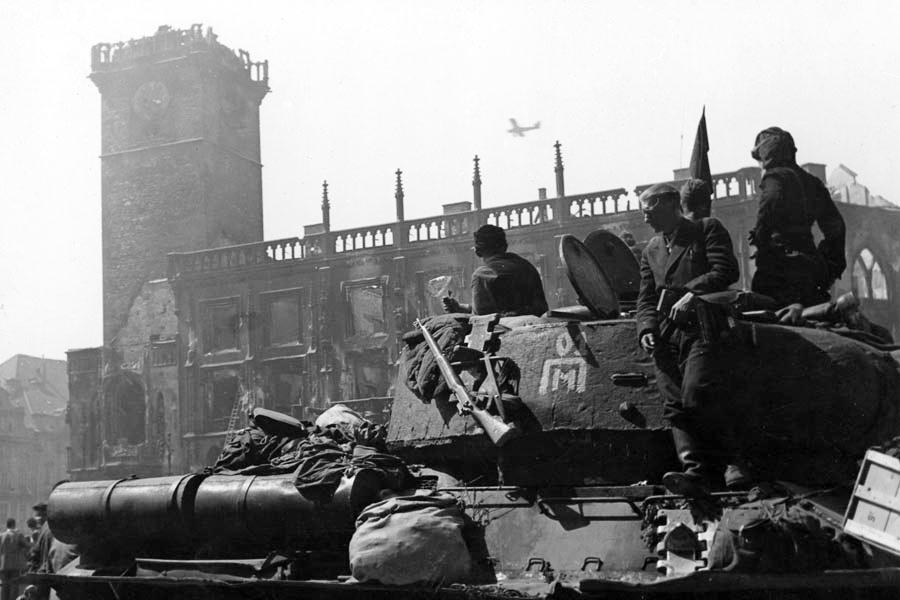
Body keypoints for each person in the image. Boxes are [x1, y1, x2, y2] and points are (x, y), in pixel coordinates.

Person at [635, 183, 748, 496]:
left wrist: (691, 293)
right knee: (674, 404)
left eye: (650, 211)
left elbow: (726, 270)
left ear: (671, 205)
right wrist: (646, 328)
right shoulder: (651, 249)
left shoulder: (705, 229)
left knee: (697, 392)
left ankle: (731, 462)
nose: (645, 218)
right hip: (665, 333)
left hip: (703, 324)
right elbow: (646, 298)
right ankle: (694, 472)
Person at [749, 127, 846, 323]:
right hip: (811, 269)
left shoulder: (776, 177)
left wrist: (761, 239)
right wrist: (829, 266)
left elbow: (769, 206)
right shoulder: (813, 183)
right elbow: (837, 229)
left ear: (768, 155)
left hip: (778, 271)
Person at [442, 224, 549, 317]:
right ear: (505, 246)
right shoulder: (526, 266)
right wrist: (460, 308)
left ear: (477, 251)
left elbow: (480, 319)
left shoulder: (482, 275)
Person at [0, 519, 29, 600]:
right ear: (14, 525)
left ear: (7, 525)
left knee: (4, 586)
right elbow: (27, 545)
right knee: (14, 586)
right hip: (15, 565)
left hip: (3, 565)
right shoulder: (18, 535)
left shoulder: (1, 536)